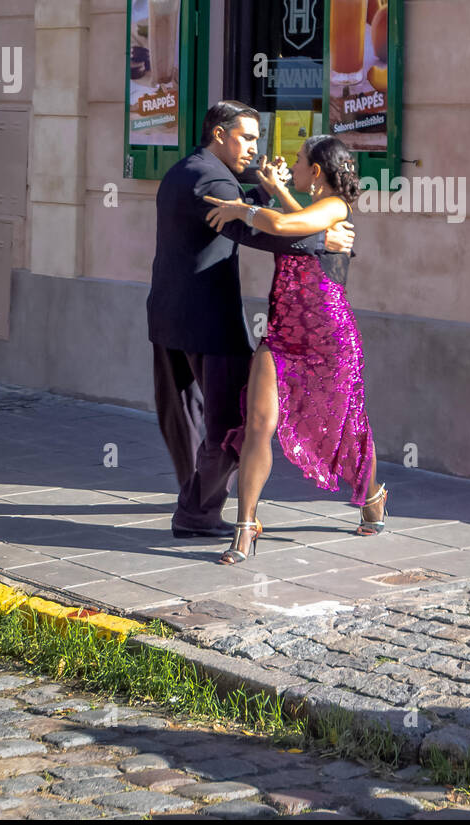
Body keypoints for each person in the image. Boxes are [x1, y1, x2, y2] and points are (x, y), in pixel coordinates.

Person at [148, 101, 354, 539]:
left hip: (172, 316)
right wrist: (325, 238)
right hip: (208, 323)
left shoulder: (188, 168)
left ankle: (193, 504)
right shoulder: (211, 178)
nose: (254, 148)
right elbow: (253, 231)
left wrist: (265, 191)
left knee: (186, 418)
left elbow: (240, 210)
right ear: (220, 134)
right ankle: (197, 513)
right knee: (232, 423)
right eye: (247, 137)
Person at [203, 134, 386, 564]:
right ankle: (246, 526)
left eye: (301, 161)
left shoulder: (337, 207)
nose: (295, 165)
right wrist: (274, 188)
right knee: (259, 424)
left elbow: (287, 226)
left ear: (316, 172)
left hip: (329, 339)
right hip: (284, 333)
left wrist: (242, 208)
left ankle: (373, 494)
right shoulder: (316, 211)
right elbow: (299, 218)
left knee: (346, 424)